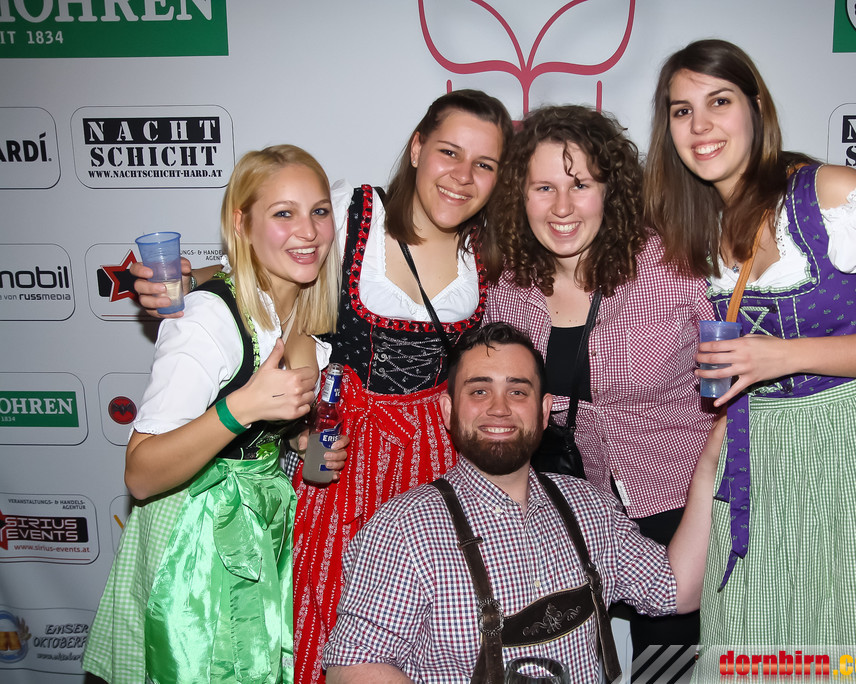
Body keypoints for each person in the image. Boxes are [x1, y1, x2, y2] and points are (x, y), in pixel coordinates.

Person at [131, 89, 513, 684]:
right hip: (345, 445)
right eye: (449, 152)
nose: (463, 176)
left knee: (437, 614)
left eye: (484, 164)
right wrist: (189, 279)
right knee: (331, 602)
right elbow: (276, 260)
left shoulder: (489, 251)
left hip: (435, 453)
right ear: (417, 148)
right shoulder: (353, 211)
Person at [643, 38, 856, 668]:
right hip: (761, 456)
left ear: (756, 108)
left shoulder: (828, 193)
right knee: (755, 646)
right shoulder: (701, 225)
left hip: (853, 452)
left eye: (719, 102)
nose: (700, 125)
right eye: (682, 111)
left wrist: (784, 356)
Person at [321, 322, 723, 683]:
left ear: (544, 411)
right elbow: (352, 666)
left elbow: (677, 591)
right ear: (447, 410)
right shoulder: (403, 529)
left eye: (517, 391)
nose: (499, 408)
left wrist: (708, 467)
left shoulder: (590, 507)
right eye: (479, 391)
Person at [83, 145, 341, 684]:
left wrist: (301, 442)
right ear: (241, 224)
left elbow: (300, 451)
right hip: (192, 541)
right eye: (284, 213)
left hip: (261, 524)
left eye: (319, 211)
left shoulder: (304, 307)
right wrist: (241, 408)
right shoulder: (207, 319)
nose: (308, 230)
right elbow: (141, 472)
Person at [479, 105, 715, 653]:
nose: (562, 207)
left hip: (678, 498)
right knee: (562, 657)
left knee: (673, 665)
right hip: (566, 511)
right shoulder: (509, 287)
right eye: (543, 188)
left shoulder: (672, 266)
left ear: (611, 190)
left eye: (580, 185)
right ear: (520, 196)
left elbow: (757, 343)